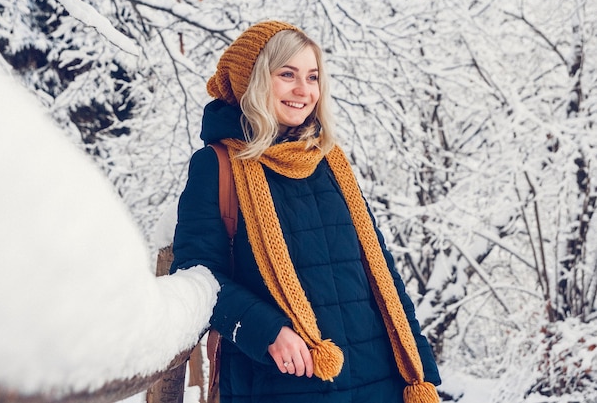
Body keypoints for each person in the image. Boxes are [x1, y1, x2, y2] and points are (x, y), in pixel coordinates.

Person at [170, 20, 441, 403]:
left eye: (312, 77)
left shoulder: (331, 162)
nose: (303, 90)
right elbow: (194, 273)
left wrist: (422, 372)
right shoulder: (217, 166)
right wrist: (266, 331)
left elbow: (381, 270)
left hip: (380, 378)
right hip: (282, 381)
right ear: (253, 80)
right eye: (287, 74)